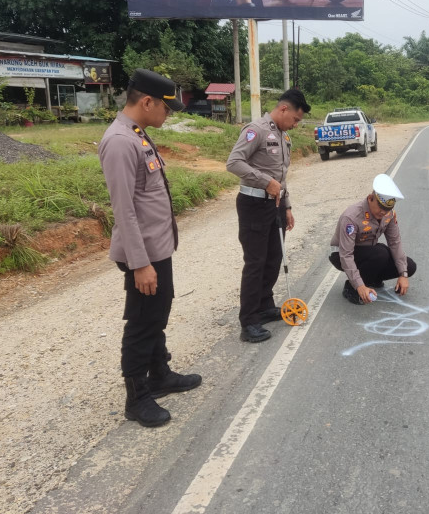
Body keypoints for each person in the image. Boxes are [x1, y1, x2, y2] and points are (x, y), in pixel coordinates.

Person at [98, 68, 202, 428]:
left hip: (157, 249)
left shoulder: (136, 134)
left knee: (157, 313)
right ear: (147, 102)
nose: (168, 114)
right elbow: (124, 209)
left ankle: (159, 374)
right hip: (142, 254)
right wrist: (140, 264)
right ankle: (137, 396)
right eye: (166, 108)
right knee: (143, 322)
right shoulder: (119, 141)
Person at [226, 89, 310, 342]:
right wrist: (265, 182)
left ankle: (264, 305)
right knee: (256, 262)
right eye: (295, 119)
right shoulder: (257, 130)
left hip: (276, 205)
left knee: (274, 258)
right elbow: (234, 162)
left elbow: (281, 176)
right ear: (284, 109)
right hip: (253, 204)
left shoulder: (283, 136)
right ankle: (249, 321)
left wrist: (287, 206)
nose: (295, 125)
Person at [329, 174, 417, 305]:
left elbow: (395, 242)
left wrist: (403, 274)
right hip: (340, 254)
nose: (383, 212)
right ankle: (352, 288)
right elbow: (346, 254)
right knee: (380, 253)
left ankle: (372, 279)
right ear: (370, 198)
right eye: (381, 207)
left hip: (368, 252)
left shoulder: (389, 215)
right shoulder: (352, 217)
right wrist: (359, 285)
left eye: (387, 209)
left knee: (409, 266)